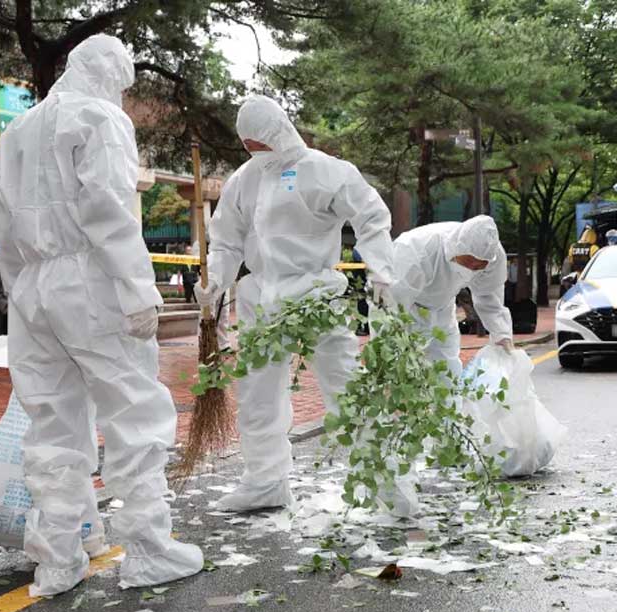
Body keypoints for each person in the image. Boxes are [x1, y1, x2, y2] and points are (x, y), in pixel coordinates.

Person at [0, 34, 202, 597]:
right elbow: (108, 208)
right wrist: (137, 288)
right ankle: (150, 551)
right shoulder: (99, 118)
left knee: (52, 424)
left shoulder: (17, 130)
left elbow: (4, 228)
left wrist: (22, 294)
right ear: (108, 71)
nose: (124, 94)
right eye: (123, 82)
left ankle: (57, 560)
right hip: (90, 280)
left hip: (35, 286)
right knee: (134, 409)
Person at [196, 95, 394, 512]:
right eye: (248, 146)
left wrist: (381, 269)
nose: (256, 153)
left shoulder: (326, 171)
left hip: (317, 295)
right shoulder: (244, 180)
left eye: (261, 144)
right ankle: (265, 482)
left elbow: (371, 216)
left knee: (345, 387)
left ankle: (382, 483)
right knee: (257, 394)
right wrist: (215, 283)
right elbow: (227, 240)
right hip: (262, 298)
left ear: (280, 132)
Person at [389, 215, 514, 378]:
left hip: (443, 309)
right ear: (457, 249)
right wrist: (386, 356)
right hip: (407, 310)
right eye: (469, 262)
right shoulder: (417, 249)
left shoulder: (493, 255)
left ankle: (450, 402)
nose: (473, 268)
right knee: (403, 377)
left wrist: (502, 334)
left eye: (479, 266)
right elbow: (391, 304)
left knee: (448, 376)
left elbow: (489, 296)